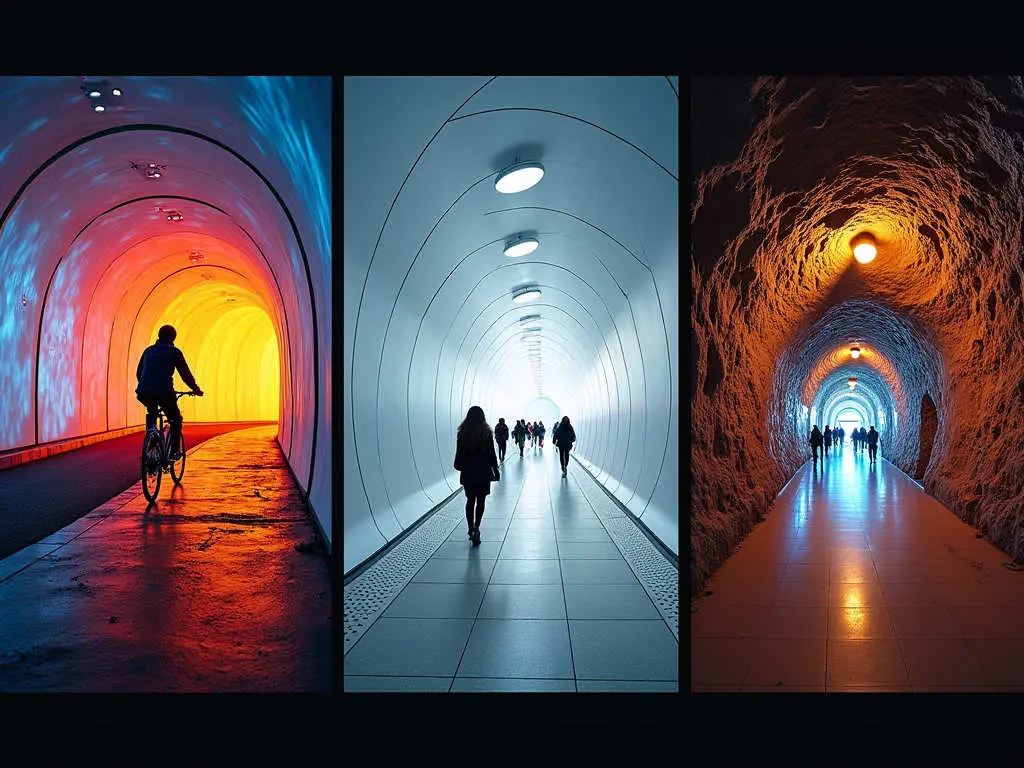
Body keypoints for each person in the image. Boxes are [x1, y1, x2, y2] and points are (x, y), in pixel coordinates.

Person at [135, 324, 203, 461]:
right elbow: (185, 374)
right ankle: (174, 451)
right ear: (173, 338)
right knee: (176, 419)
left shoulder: (148, 351)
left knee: (151, 410)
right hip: (165, 391)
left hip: (143, 391)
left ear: (159, 336)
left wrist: (146, 385)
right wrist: (195, 389)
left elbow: (139, 373)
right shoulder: (174, 352)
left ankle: (151, 432)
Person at [454, 405, 499, 546]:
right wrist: (495, 469)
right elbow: (491, 453)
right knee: (481, 501)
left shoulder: (462, 433)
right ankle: (477, 528)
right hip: (483, 471)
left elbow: (459, 453)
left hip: (468, 472)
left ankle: (470, 528)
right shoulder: (486, 432)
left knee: (470, 500)